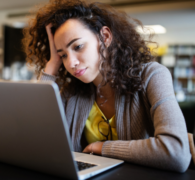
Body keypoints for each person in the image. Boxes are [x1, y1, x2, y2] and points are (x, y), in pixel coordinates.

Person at [23, 0, 191, 172]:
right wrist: (52, 66)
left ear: (105, 37)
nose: (71, 62)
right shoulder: (72, 93)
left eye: (78, 46)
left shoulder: (153, 75)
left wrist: (103, 148)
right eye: (63, 55)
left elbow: (176, 153)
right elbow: (32, 141)